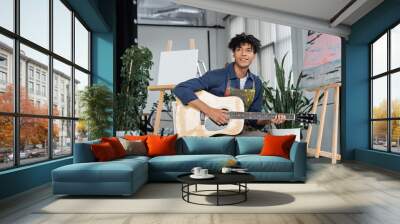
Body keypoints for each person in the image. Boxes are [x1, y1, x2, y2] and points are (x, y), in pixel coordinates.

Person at [173, 33, 286, 135]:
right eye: (239, 50)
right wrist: (209, 111)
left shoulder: (256, 83)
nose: (243, 54)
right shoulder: (216, 76)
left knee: (270, 141)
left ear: (254, 55)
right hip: (214, 132)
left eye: (248, 50)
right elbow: (181, 88)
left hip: (238, 131)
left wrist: (269, 118)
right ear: (233, 53)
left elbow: (253, 119)